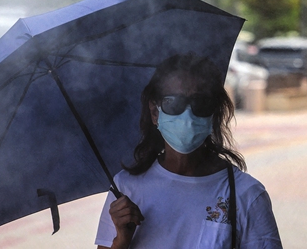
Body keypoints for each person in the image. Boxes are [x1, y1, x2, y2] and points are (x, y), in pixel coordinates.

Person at [95, 53, 282, 248]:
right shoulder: (126, 190)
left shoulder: (246, 194)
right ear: (154, 112)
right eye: (174, 103)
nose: (187, 115)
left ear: (214, 113)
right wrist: (121, 240)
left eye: (200, 103)